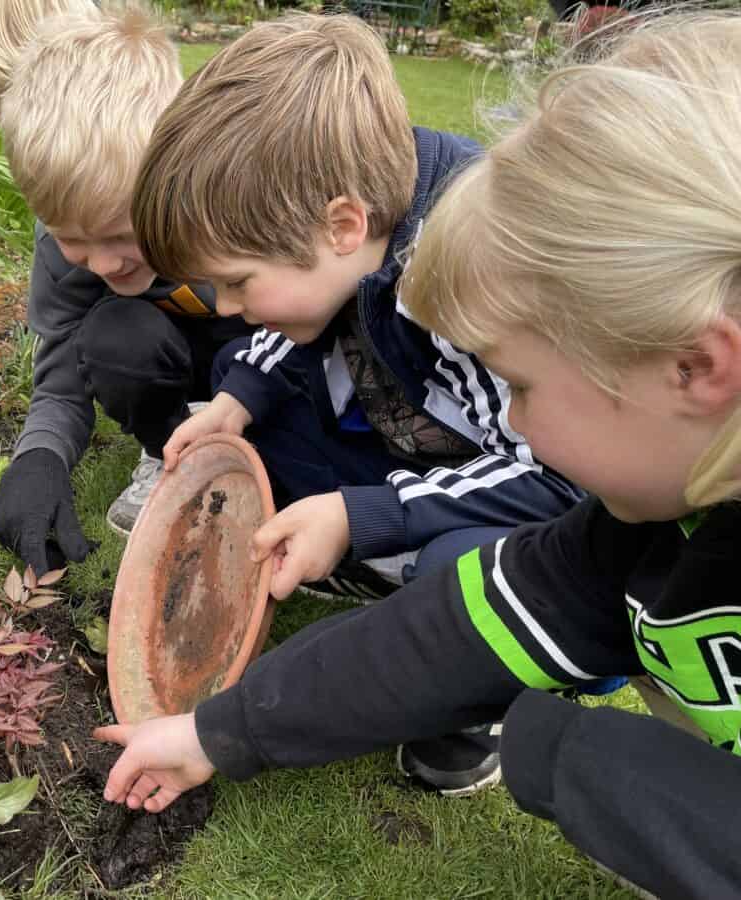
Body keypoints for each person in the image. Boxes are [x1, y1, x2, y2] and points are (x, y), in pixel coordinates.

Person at [98, 13, 741, 896]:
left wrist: (577, 755)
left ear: (697, 366)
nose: (520, 422)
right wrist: (215, 733)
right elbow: (458, 632)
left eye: (523, 387)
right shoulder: (652, 523)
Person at [128, 12, 595, 794]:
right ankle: (365, 561)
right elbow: (306, 319)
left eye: (239, 282)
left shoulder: (467, 282)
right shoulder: (352, 230)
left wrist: (364, 513)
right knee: (256, 450)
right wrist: (237, 397)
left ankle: (470, 717)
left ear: (343, 225)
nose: (230, 308)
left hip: (522, 491)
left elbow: (557, 482)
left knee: (458, 568)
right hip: (407, 437)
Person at [0, 0, 253, 574]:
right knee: (116, 335)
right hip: (172, 360)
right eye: (75, 240)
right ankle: (171, 446)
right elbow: (65, 365)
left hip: (263, 357)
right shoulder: (71, 235)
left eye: (118, 234)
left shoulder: (228, 201)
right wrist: (38, 458)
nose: (102, 263)